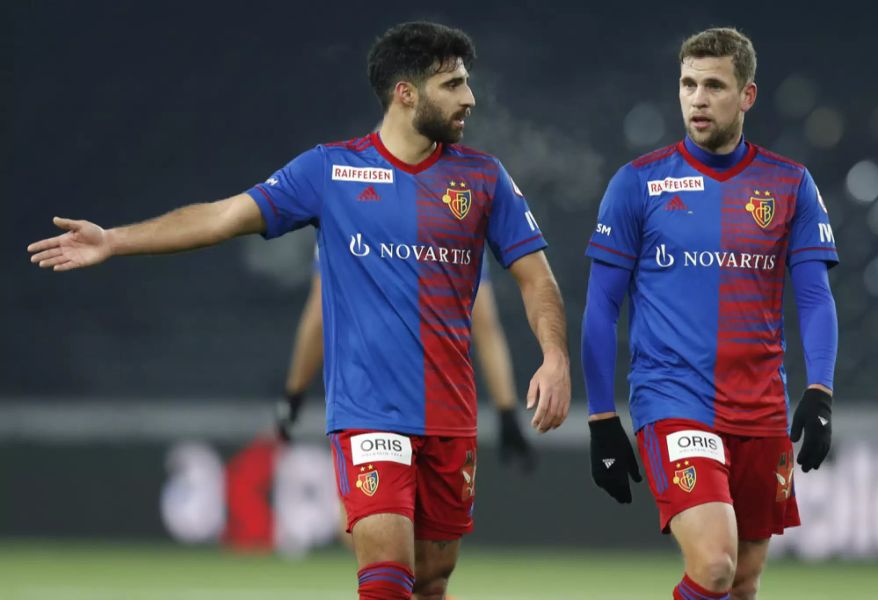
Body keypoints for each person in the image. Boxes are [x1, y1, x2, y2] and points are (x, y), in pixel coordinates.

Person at [28, 21, 570, 600]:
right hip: (369, 412)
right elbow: (221, 216)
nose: (470, 98)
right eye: (453, 84)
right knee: (386, 581)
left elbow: (536, 278)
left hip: (449, 416)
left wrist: (555, 355)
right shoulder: (330, 170)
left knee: (432, 580)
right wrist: (115, 239)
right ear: (405, 93)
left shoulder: (484, 179)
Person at [581, 28, 838, 600]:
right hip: (674, 397)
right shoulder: (637, 184)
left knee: (743, 584)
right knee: (716, 566)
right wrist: (601, 418)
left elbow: (816, 297)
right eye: (688, 84)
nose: (697, 98)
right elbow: (602, 305)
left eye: (714, 86)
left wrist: (819, 391)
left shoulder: (789, 184)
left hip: (761, 404)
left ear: (747, 96)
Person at [276, 250, 537, 475]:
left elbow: (320, 313)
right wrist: (506, 411)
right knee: (412, 526)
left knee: (373, 519)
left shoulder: (346, 202)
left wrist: (294, 394)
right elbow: (484, 326)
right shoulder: (453, 212)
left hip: (369, 396)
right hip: (436, 399)